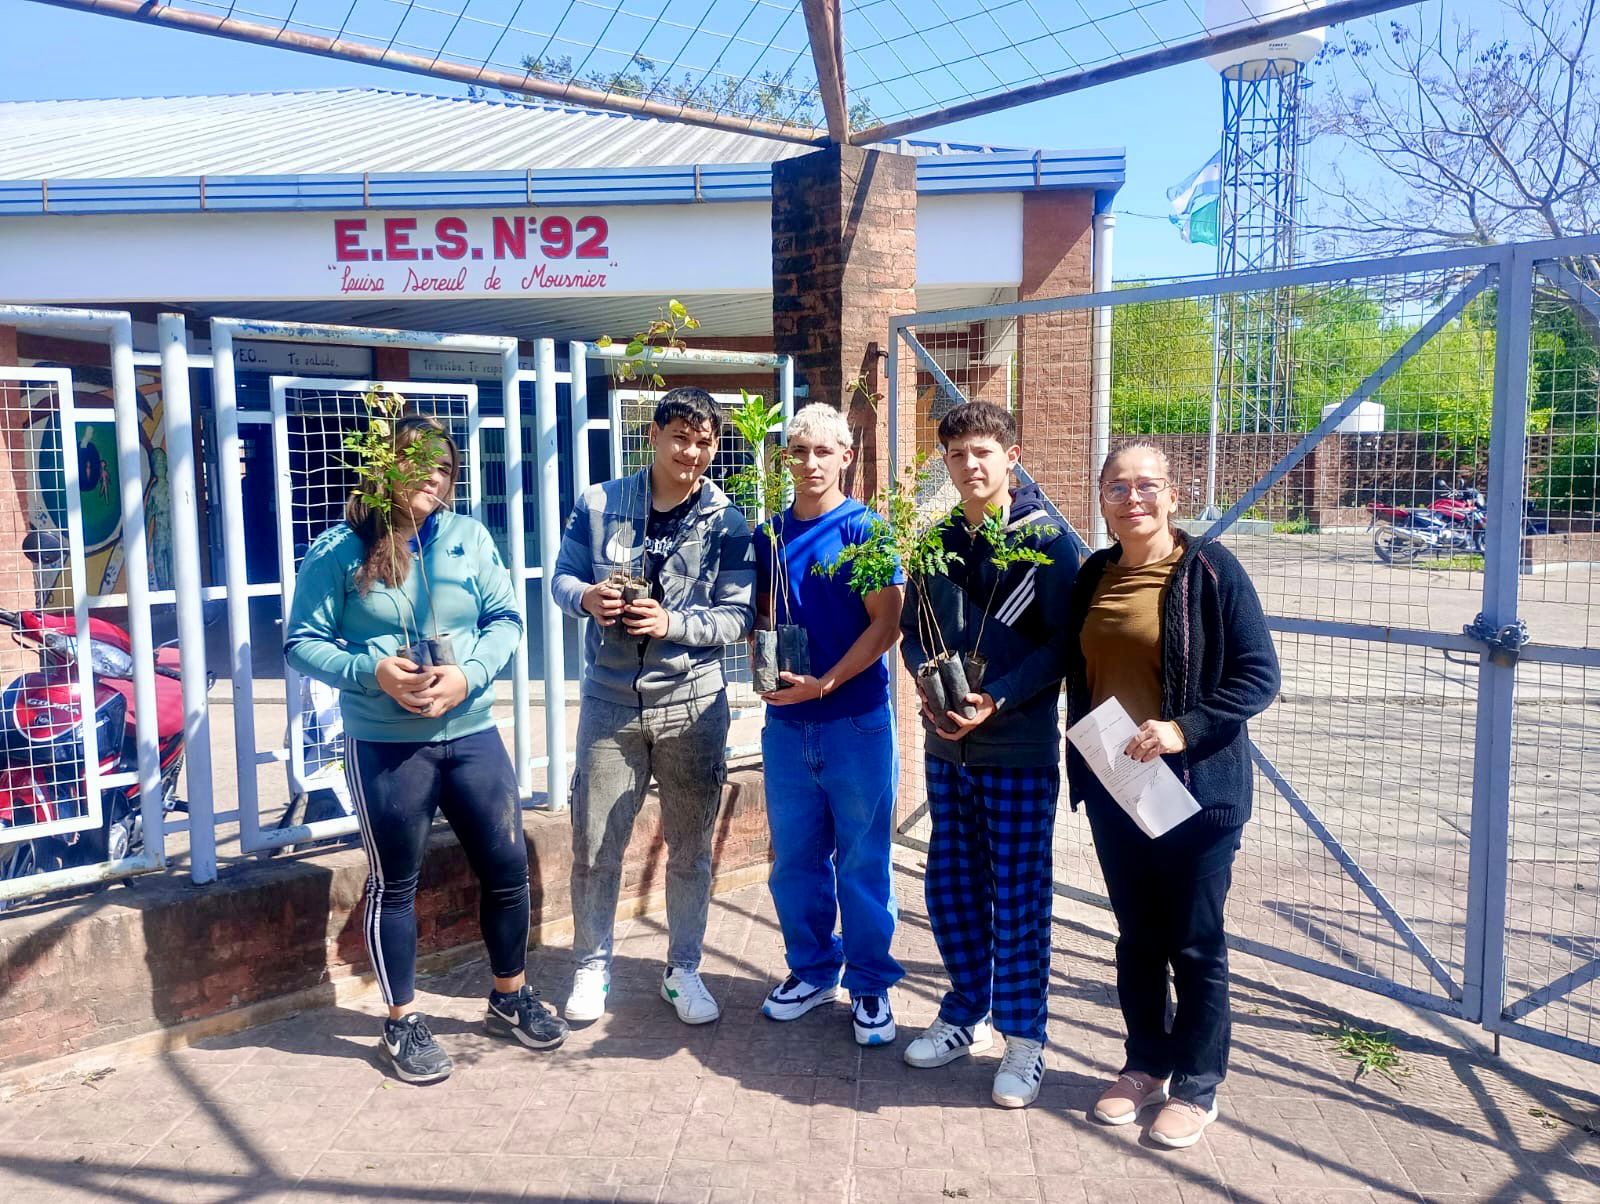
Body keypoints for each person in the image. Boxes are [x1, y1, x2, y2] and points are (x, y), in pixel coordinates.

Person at [285, 414, 567, 1085]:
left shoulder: (469, 538)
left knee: (506, 865)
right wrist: (372, 671)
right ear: (385, 469)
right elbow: (300, 641)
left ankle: (508, 995)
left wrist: (468, 674)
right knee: (396, 882)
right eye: (416, 463)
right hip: (387, 744)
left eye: (443, 468)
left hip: (471, 732)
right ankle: (402, 1020)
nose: (432, 477)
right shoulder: (340, 550)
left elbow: (506, 619)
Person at [1064, 443, 1279, 1149]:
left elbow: (1258, 676)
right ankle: (1144, 1063)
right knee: (1137, 939)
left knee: (1194, 940)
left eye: (1147, 486)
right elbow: (1075, 668)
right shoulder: (1094, 573)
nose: (1133, 499)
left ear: (1174, 495)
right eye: (1118, 487)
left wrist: (1185, 728)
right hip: (1117, 787)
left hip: (1195, 792)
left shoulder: (1210, 570)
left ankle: (1197, 1082)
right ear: (1101, 499)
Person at [552, 387, 754, 1026]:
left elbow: (737, 617)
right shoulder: (601, 502)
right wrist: (586, 598)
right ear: (655, 436)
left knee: (691, 847)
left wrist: (671, 623)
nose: (691, 452)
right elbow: (561, 575)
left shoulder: (730, 523)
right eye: (680, 438)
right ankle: (591, 966)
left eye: (704, 442)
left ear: (715, 445)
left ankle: (683, 969)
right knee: (594, 843)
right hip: (609, 707)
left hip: (693, 706)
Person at [898, 401, 1080, 1109]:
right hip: (949, 752)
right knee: (950, 888)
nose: (970, 466)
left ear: (1012, 455)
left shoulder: (1047, 542)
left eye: (982, 452)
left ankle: (1026, 1038)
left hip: (1016, 751)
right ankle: (963, 1012)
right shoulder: (935, 541)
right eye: (956, 455)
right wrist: (921, 675)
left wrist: (997, 698)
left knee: (1019, 894)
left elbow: (1062, 646)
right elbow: (915, 630)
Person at [752, 403, 905, 1046]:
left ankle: (870, 985)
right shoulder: (769, 536)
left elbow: (887, 623)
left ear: (847, 456)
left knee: (863, 860)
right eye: (797, 451)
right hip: (788, 726)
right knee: (793, 860)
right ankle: (813, 970)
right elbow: (762, 615)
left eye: (823, 451)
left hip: (854, 721)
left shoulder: (866, 530)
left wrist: (826, 683)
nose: (809, 463)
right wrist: (771, 672)